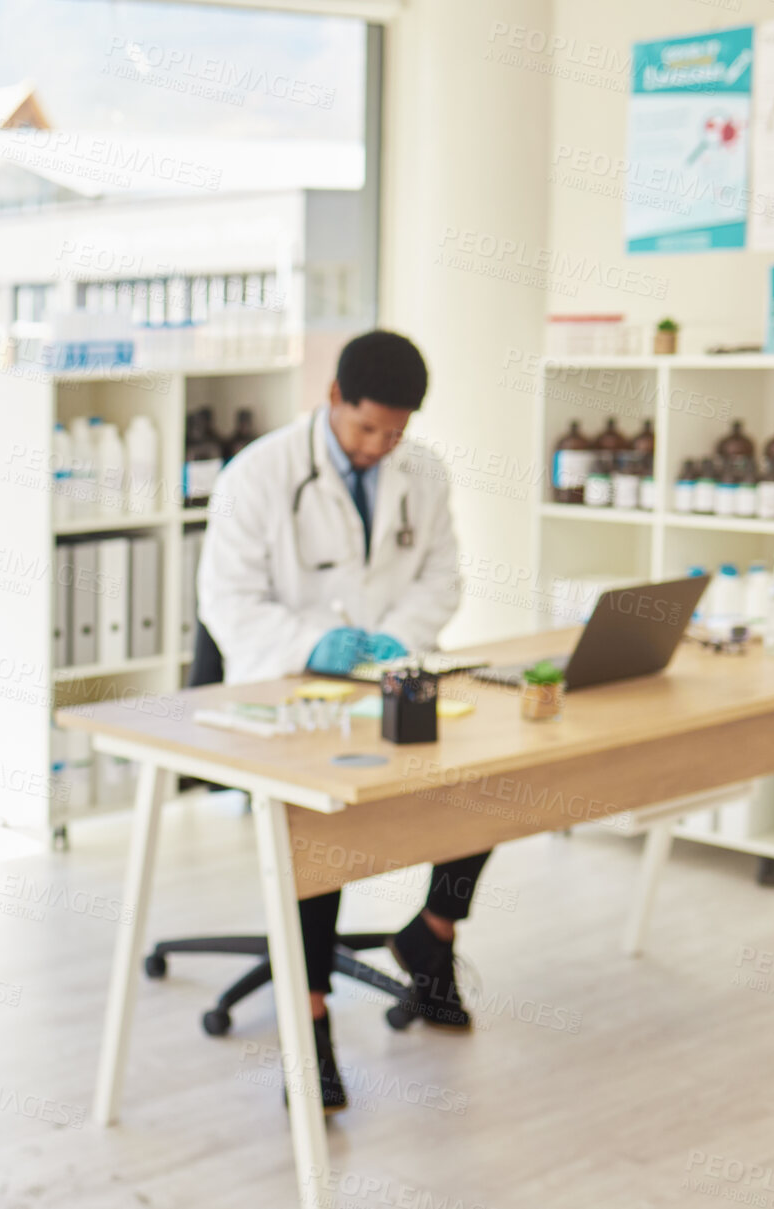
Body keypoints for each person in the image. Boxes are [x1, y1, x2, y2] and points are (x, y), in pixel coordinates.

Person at [196, 329, 489, 1114]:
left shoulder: (420, 471)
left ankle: (433, 933)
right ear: (332, 399)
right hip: (285, 686)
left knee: (485, 774)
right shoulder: (258, 474)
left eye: (395, 433)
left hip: (391, 673)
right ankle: (312, 1016)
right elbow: (226, 601)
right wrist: (314, 648)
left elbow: (440, 574)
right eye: (366, 429)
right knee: (314, 827)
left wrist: (402, 641)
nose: (379, 447)